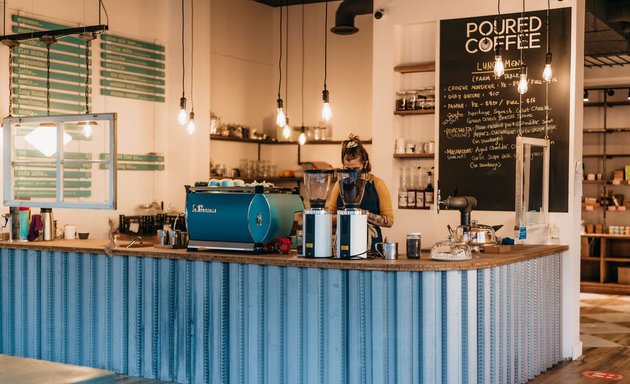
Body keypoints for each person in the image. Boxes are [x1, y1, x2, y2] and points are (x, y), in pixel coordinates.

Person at [325, 134, 394, 253]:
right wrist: (347, 215)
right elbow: (328, 218)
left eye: (355, 169)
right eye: (347, 169)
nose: (351, 173)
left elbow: (389, 221)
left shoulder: (377, 184)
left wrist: (364, 214)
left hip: (371, 246)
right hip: (343, 242)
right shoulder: (339, 185)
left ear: (365, 164)